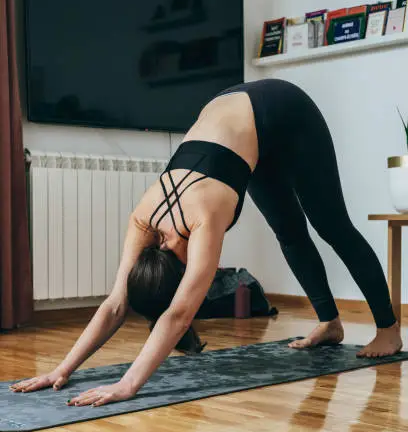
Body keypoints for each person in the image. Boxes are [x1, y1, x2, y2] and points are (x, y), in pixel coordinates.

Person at [10, 79, 403, 406]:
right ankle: (328, 323)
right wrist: (62, 369)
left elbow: (178, 315)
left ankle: (387, 328)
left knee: (331, 225)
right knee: (288, 230)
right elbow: (116, 305)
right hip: (244, 131)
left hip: (285, 110)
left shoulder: (204, 216)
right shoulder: (143, 219)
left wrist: (128, 384)